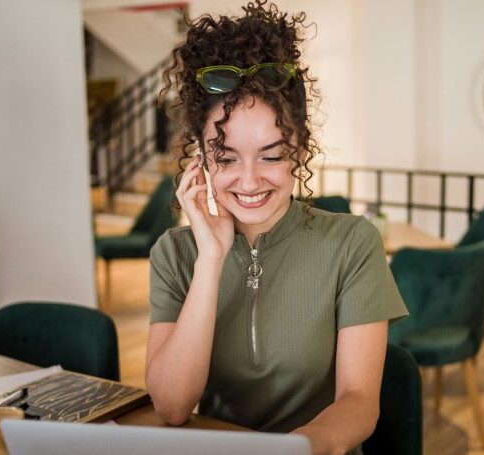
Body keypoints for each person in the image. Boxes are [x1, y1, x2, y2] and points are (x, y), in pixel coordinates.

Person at [145, 2, 408, 454]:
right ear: (201, 158)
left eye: (271, 156)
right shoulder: (174, 254)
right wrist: (210, 259)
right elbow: (171, 406)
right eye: (226, 158)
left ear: (300, 151)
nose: (249, 182)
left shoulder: (351, 243)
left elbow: (360, 403)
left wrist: (289, 451)